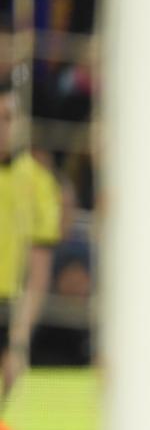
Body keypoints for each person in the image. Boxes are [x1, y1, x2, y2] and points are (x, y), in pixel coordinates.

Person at [0, 83, 61, 406]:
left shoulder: (38, 184)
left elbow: (38, 273)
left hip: (9, 312)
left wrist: (17, 343)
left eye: (7, 118)